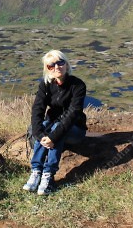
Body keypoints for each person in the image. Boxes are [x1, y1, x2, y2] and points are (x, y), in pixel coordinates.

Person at [23, 49, 87, 195]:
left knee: (57, 128)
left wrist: (53, 137)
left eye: (60, 62)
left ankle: (48, 176)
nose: (57, 67)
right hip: (52, 126)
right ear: (47, 69)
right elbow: (37, 110)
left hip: (75, 130)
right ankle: (36, 171)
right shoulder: (45, 85)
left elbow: (73, 114)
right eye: (51, 65)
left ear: (66, 64)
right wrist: (39, 135)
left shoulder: (78, 85)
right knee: (43, 126)